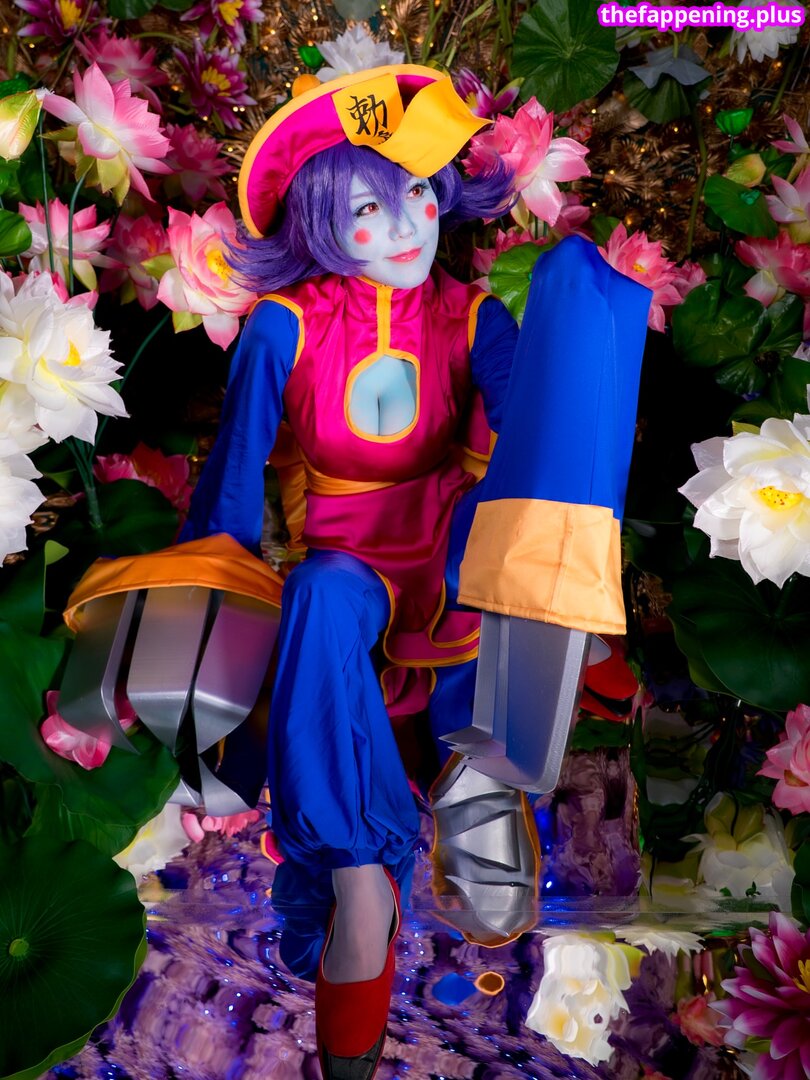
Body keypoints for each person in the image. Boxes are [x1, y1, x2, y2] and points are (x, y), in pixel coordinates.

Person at [178, 65, 522, 1080]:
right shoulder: (281, 326)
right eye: (367, 208)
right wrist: (199, 645)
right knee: (322, 589)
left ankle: (465, 797)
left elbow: (541, 457)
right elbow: (233, 484)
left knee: (491, 545)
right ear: (321, 223)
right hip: (342, 573)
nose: (407, 224)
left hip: (452, 570)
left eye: (416, 189)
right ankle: (363, 882)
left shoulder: (474, 316)